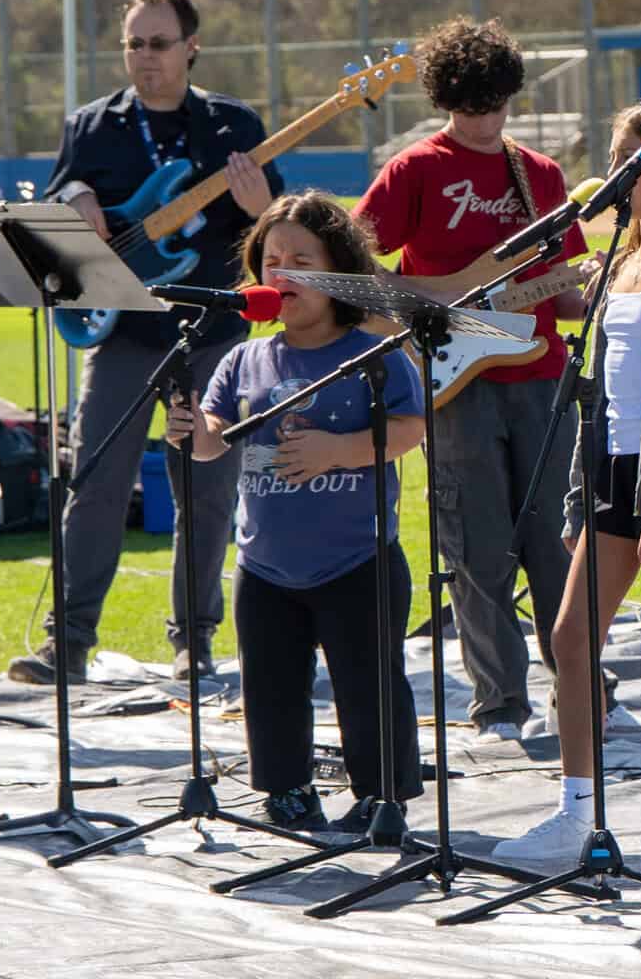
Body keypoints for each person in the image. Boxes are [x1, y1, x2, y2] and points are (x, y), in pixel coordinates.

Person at [9, 0, 283, 686]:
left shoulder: (232, 124)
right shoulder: (93, 126)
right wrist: (73, 199)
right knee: (96, 482)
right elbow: (56, 196)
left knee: (208, 487)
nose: (145, 57)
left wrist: (263, 207)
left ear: (192, 46)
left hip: (212, 332)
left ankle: (194, 639)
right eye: (134, 43)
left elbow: (279, 229)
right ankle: (67, 642)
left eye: (159, 43)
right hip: (123, 330)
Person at [491, 101, 641, 860]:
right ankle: (576, 808)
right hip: (608, 473)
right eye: (618, 158)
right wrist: (573, 495)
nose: (623, 174)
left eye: (637, 160)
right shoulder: (618, 265)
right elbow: (591, 385)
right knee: (568, 636)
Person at [356, 17, 588, 742]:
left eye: (497, 101)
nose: (487, 118)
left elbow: (569, 290)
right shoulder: (415, 169)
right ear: (447, 98)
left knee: (559, 539)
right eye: (472, 102)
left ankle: (581, 693)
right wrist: (420, 312)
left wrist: (618, 279)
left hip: (542, 374)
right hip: (454, 381)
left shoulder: (541, 175)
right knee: (475, 542)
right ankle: (499, 705)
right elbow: (357, 264)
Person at [167, 191, 425, 833]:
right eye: (270, 259)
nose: (281, 274)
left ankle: (379, 792)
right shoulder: (244, 359)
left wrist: (337, 450)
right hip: (265, 565)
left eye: (300, 260)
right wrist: (192, 428)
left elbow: (410, 426)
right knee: (271, 687)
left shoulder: (372, 353)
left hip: (357, 559)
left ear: (337, 269)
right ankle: (286, 789)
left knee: (368, 687)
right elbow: (211, 442)